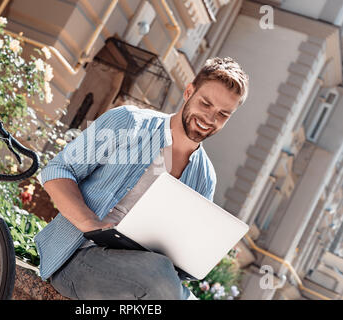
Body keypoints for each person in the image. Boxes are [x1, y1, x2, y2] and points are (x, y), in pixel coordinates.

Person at [35, 57, 249, 300]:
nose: (210, 118)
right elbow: (58, 171)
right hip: (78, 257)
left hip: (140, 276)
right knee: (158, 276)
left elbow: (181, 260)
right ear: (189, 92)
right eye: (205, 104)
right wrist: (90, 223)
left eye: (222, 114)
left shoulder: (205, 178)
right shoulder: (128, 122)